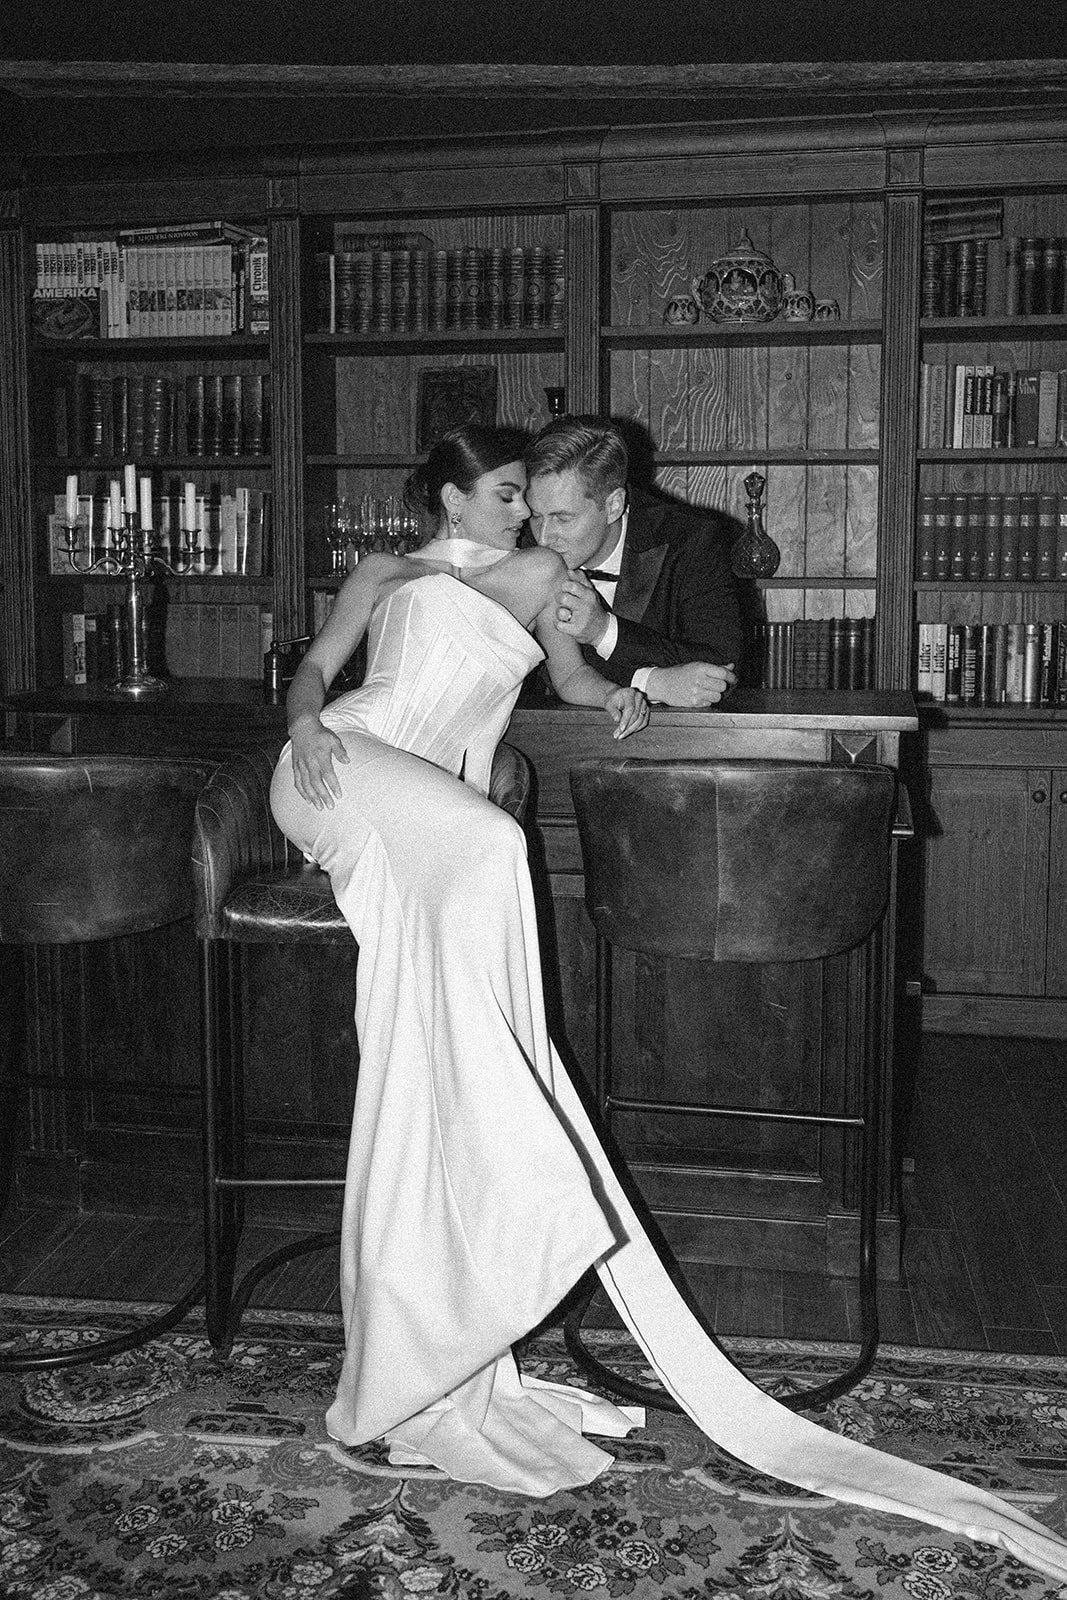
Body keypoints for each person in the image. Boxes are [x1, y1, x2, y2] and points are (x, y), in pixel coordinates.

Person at [269, 424, 1067, 1582]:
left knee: (437, 982)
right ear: (452, 498)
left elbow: (583, 675)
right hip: (337, 765)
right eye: (509, 498)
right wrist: (299, 720)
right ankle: (519, 1173)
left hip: (424, 808)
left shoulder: (542, 579)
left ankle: (465, 1232)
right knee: (492, 843)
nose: (530, 522)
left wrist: (629, 694)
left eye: (538, 504)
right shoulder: (388, 573)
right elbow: (316, 664)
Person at [525, 417, 742, 708]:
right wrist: (654, 683)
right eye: (536, 515)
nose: (544, 536)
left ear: (613, 505)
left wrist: (603, 631)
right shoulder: (524, 544)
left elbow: (721, 666)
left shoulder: (693, 539)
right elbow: (558, 677)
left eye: (563, 518)